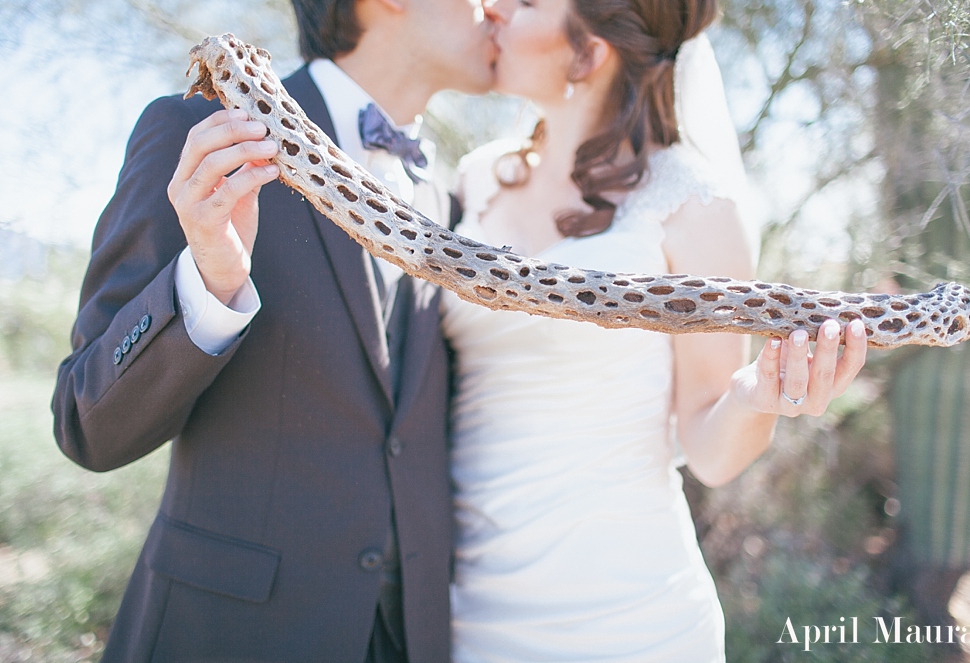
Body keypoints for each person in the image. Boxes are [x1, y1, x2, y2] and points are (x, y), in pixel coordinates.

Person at [51, 0, 495, 660]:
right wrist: (207, 282)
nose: (494, 9)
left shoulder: (451, 202)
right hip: (227, 634)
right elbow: (85, 424)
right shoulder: (207, 134)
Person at [442, 0, 868, 660]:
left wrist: (757, 396)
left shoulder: (691, 204)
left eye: (526, 3)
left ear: (589, 52)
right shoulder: (475, 180)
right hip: (467, 614)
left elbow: (710, 448)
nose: (493, 8)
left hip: (627, 618)